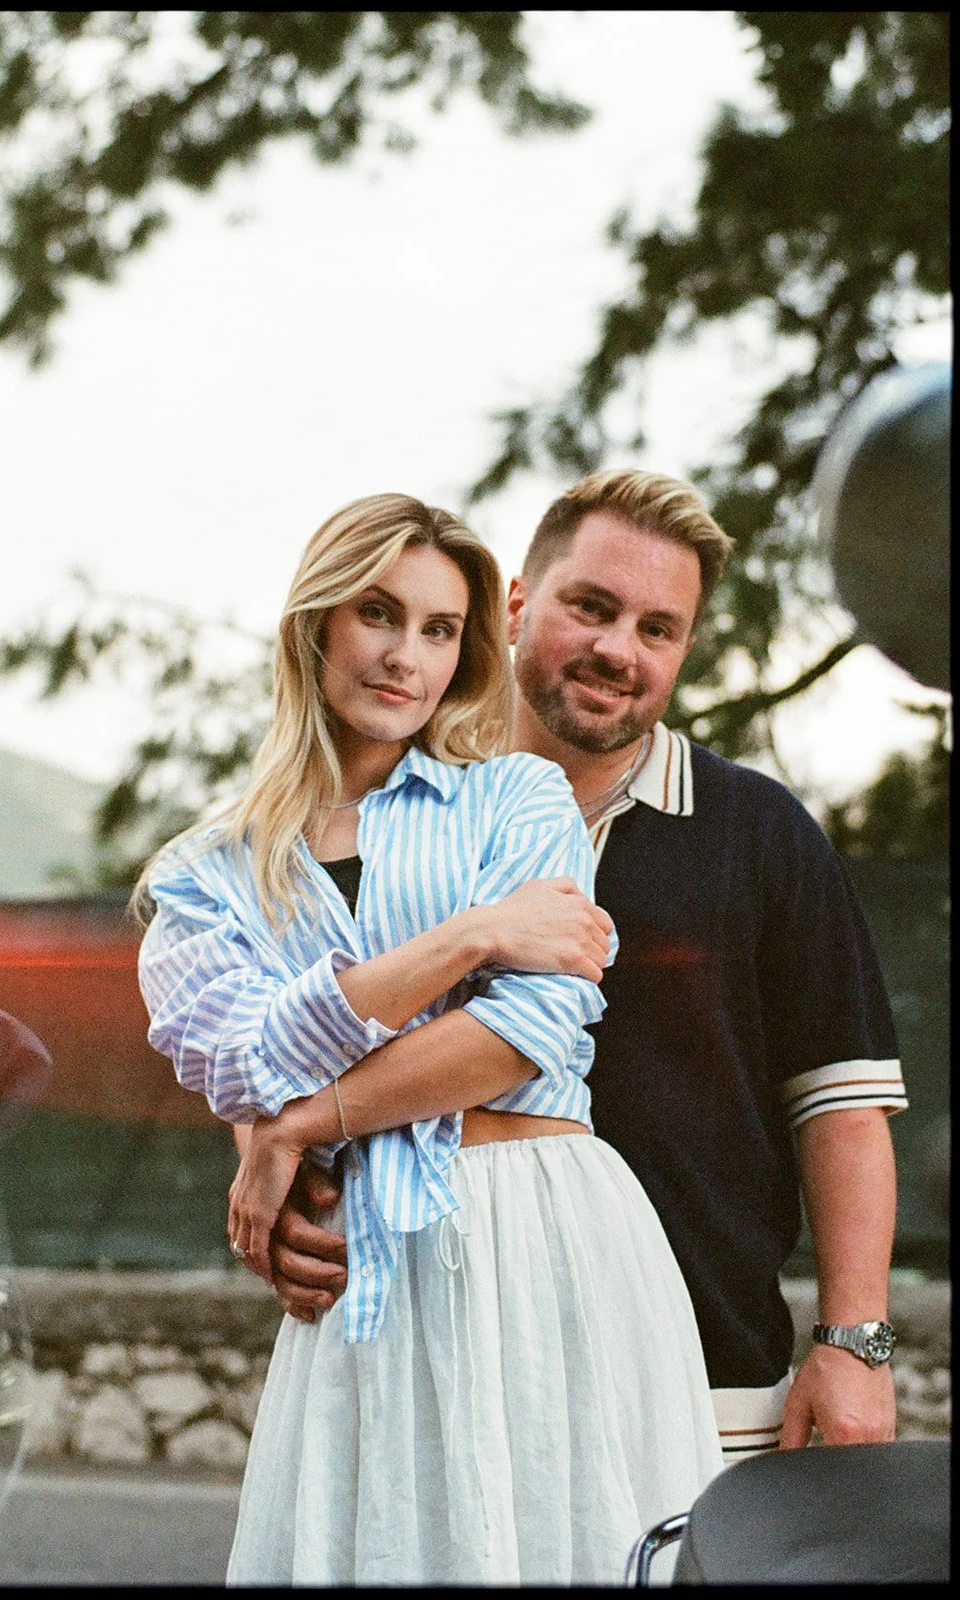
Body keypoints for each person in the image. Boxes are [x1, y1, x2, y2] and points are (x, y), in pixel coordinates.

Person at [251, 469, 907, 1469]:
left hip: (704, 1379)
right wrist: (272, 1154)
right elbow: (280, 1032)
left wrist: (854, 1343)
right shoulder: (383, 816)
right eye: (590, 607)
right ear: (515, 605)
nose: (617, 649)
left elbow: (841, 1110)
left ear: (684, 650)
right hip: (434, 1366)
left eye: (657, 628)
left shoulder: (758, 833)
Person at [136, 492, 724, 1586]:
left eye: (441, 629)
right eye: (378, 613)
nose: (406, 656)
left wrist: (303, 1123)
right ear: (315, 622)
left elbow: (535, 1027)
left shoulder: (513, 795)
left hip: (548, 1232)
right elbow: (244, 1057)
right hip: (363, 1262)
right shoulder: (203, 875)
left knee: (574, 1542)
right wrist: (473, 936)